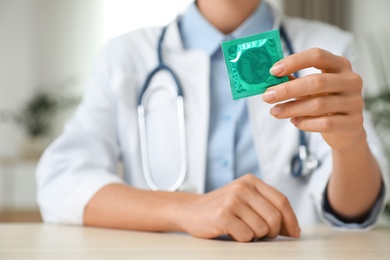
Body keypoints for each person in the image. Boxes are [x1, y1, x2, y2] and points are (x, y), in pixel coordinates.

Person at [36, 0, 388, 242]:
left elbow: (354, 214)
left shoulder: (327, 48)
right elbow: (62, 181)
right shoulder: (124, 56)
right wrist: (186, 209)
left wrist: (350, 142)